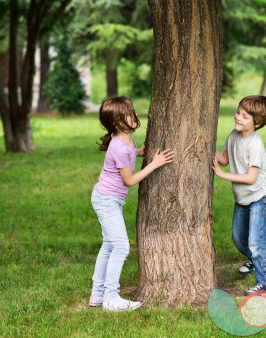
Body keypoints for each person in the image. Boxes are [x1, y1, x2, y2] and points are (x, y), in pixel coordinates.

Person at [90, 97, 174, 311]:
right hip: (107, 200)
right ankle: (111, 298)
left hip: (108, 199)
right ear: (117, 124)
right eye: (127, 114)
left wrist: (138, 152)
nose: (133, 115)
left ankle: (98, 294)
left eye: (132, 111)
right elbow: (129, 180)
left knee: (109, 244)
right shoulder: (118, 146)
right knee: (120, 246)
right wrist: (154, 164)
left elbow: (128, 155)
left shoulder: (126, 140)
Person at [212, 95, 266, 296]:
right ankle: (254, 259)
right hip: (242, 199)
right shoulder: (233, 135)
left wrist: (223, 175)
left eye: (244, 116)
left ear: (256, 123)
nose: (238, 117)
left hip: (259, 197)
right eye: (238, 112)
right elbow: (224, 159)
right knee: (239, 238)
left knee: (256, 240)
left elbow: (251, 178)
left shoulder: (255, 145)